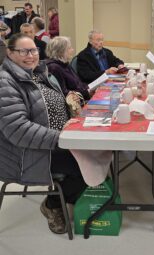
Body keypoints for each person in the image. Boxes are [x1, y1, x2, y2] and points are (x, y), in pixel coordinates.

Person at [0, 34, 87, 234]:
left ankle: (67, 192)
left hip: (53, 140)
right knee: (85, 164)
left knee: (93, 154)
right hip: (25, 152)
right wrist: (61, 140)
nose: (30, 55)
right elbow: (18, 129)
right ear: (10, 53)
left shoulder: (38, 73)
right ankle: (53, 203)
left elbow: (49, 104)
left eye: (33, 50)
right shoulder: (5, 82)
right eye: (24, 51)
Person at [46, 36, 91, 100]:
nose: (72, 50)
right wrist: (87, 92)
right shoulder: (54, 68)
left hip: (82, 96)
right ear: (61, 51)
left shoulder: (65, 64)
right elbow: (64, 93)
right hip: (74, 104)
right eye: (69, 48)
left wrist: (89, 88)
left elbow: (78, 83)